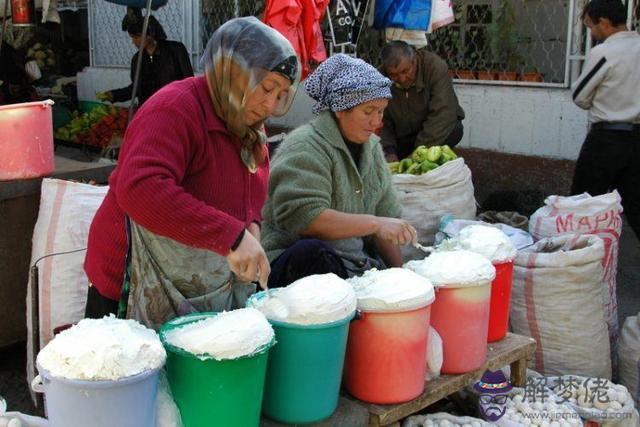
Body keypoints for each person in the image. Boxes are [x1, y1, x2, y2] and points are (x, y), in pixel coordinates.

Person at [83, 17, 300, 328]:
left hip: (192, 283)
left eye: (280, 94)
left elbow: (251, 191)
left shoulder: (248, 125)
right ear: (233, 74)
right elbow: (140, 188)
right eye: (266, 88)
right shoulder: (175, 108)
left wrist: (251, 226)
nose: (269, 103)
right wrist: (231, 236)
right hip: (128, 283)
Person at [261, 54, 418, 288]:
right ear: (340, 109)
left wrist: (401, 276)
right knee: (312, 252)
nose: (376, 121)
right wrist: (375, 224)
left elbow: (385, 219)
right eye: (368, 111)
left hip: (354, 266)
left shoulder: (372, 149)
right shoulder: (305, 146)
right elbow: (305, 218)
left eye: (381, 111)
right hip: (296, 269)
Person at [571, 0, 640, 239]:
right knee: (636, 206)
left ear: (604, 22)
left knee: (583, 203)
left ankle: (578, 259)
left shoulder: (605, 52)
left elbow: (579, 96)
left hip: (607, 138)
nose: (592, 32)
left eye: (591, 26)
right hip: (638, 139)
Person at [379, 41, 465, 161]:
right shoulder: (380, 78)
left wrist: (419, 152)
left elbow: (443, 114)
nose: (402, 79)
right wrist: (388, 150)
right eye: (394, 75)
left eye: (405, 71)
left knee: (455, 129)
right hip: (401, 137)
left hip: (430, 133)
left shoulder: (434, 67)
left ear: (414, 61)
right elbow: (381, 119)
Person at [96, 8, 193, 107]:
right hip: (149, 110)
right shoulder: (137, 60)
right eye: (132, 37)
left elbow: (190, 83)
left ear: (149, 35)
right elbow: (136, 89)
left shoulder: (176, 50)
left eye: (136, 37)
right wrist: (114, 95)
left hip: (174, 107)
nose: (133, 42)